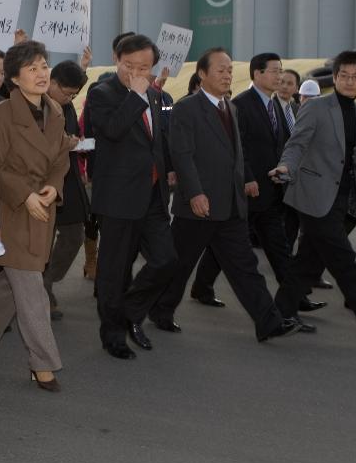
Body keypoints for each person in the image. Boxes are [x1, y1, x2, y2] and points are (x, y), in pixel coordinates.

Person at [141, 48, 298, 342]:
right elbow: (182, 155)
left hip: (229, 204)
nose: (227, 75)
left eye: (229, 70)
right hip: (199, 204)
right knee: (180, 262)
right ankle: (158, 309)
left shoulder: (231, 108)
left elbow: (235, 155)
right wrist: (195, 193)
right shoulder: (185, 107)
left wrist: (245, 181)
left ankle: (269, 321)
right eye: (220, 70)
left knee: (245, 266)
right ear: (202, 74)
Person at [271, 50, 356, 348]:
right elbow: (297, 144)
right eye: (344, 75)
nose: (350, 81)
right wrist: (286, 167)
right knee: (346, 264)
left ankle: (273, 319)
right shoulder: (317, 108)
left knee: (306, 263)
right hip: (314, 197)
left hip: (343, 199)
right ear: (334, 78)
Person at [0, 41, 69, 390]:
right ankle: (42, 363)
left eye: (44, 65)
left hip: (43, 208)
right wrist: (24, 194)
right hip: (10, 210)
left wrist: (55, 186)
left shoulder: (56, 110)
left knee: (14, 280)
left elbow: (60, 160)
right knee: (31, 287)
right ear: (14, 78)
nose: (42, 74)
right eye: (32, 68)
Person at [87, 33, 178, 359]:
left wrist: (167, 170)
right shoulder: (102, 93)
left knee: (166, 259)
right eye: (131, 66)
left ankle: (128, 312)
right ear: (117, 60)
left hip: (152, 193)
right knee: (115, 271)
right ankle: (113, 335)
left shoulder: (154, 95)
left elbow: (156, 139)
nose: (138, 73)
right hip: (118, 197)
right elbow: (111, 130)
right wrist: (137, 96)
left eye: (145, 67)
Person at [224, 53, 319, 318]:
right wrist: (248, 177)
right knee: (222, 246)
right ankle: (200, 286)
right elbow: (238, 146)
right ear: (257, 74)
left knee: (279, 249)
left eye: (281, 71)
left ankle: (294, 299)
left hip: (272, 188)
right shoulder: (241, 104)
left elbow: (281, 142)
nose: (279, 76)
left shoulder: (276, 103)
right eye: (275, 71)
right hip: (249, 189)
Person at [41, 59, 90, 320]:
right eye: (67, 92)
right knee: (41, 242)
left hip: (68, 182)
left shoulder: (67, 105)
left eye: (74, 94)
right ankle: (39, 292)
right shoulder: (34, 102)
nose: (70, 98)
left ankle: (47, 280)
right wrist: (64, 144)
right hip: (42, 184)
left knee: (74, 237)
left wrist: (74, 143)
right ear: (53, 82)